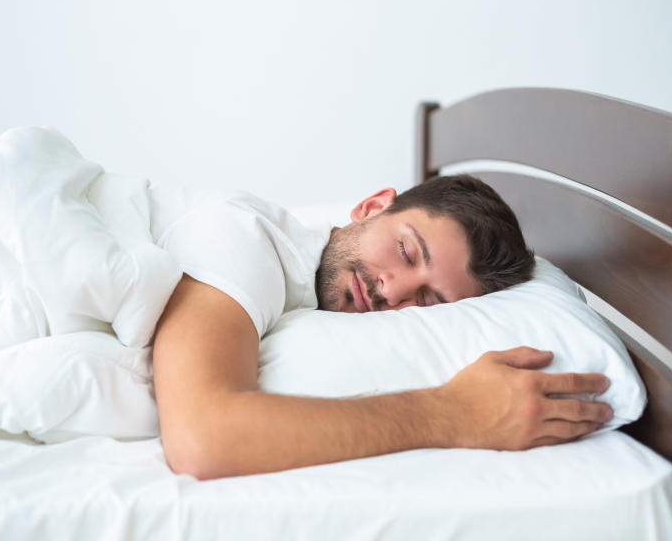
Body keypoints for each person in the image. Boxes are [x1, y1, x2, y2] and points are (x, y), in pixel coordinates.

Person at [150, 174, 614, 480]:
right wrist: (454, 413)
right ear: (372, 206)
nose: (393, 291)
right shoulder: (244, 237)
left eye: (429, 300)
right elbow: (202, 439)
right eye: (408, 252)